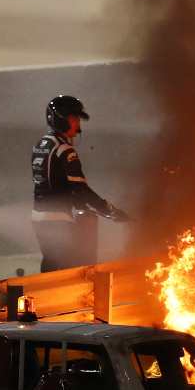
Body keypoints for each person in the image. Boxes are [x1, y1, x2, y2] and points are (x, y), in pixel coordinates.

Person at [31, 95, 127, 272]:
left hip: (39, 217)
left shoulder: (41, 144)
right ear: (61, 120)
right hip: (58, 219)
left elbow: (54, 182)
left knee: (50, 266)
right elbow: (80, 189)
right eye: (74, 119)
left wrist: (81, 204)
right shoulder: (64, 149)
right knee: (66, 272)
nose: (78, 125)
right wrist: (110, 211)